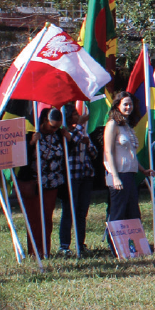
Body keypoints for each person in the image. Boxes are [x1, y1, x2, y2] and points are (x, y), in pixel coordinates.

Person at [22, 107, 67, 257]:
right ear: (44, 121)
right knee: (34, 219)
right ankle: (34, 252)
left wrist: (69, 138)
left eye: (58, 126)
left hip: (52, 184)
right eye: (52, 126)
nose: (55, 129)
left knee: (47, 219)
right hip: (33, 184)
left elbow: (66, 154)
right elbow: (20, 159)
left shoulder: (59, 134)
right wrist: (30, 144)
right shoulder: (30, 134)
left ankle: (45, 251)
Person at [103, 95, 153, 223]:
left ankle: (131, 242)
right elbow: (108, 151)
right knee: (118, 212)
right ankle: (114, 243)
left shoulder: (127, 126)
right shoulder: (112, 124)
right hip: (118, 174)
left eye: (130, 104)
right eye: (125, 104)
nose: (128, 107)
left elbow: (131, 154)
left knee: (133, 213)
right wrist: (115, 176)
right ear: (117, 105)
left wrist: (143, 170)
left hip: (130, 174)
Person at [58, 105, 96, 254]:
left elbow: (94, 153)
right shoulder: (64, 132)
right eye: (74, 114)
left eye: (77, 114)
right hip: (71, 177)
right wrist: (80, 125)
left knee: (82, 212)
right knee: (68, 211)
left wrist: (88, 144)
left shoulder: (82, 132)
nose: (77, 116)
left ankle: (80, 244)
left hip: (86, 175)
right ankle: (64, 245)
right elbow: (71, 142)